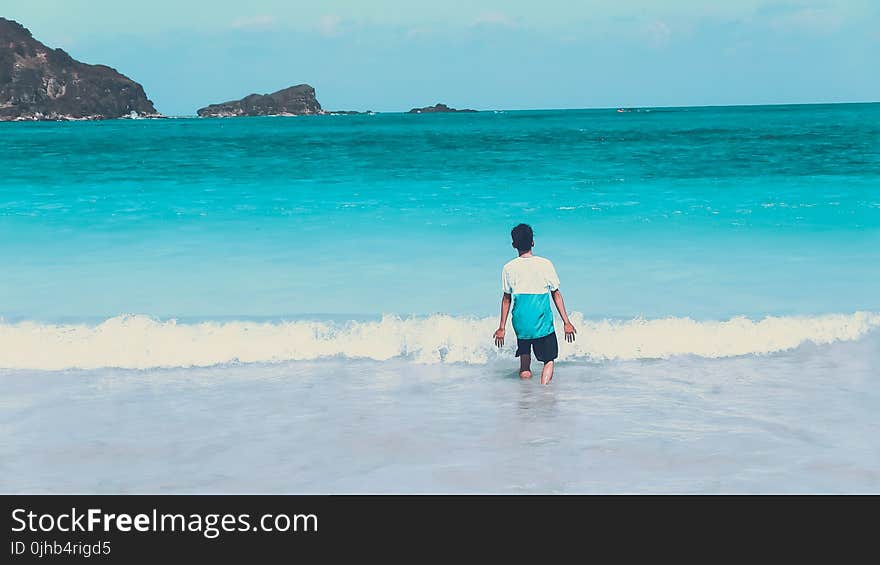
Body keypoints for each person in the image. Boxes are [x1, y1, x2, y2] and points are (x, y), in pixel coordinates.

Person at [494, 224, 576, 384]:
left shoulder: (508, 268)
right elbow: (556, 294)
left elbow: (506, 299)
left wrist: (501, 328)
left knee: (525, 364)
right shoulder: (545, 264)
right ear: (533, 242)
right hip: (542, 323)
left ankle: (526, 398)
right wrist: (566, 322)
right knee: (549, 360)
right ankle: (544, 393)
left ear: (513, 245)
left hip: (521, 323)